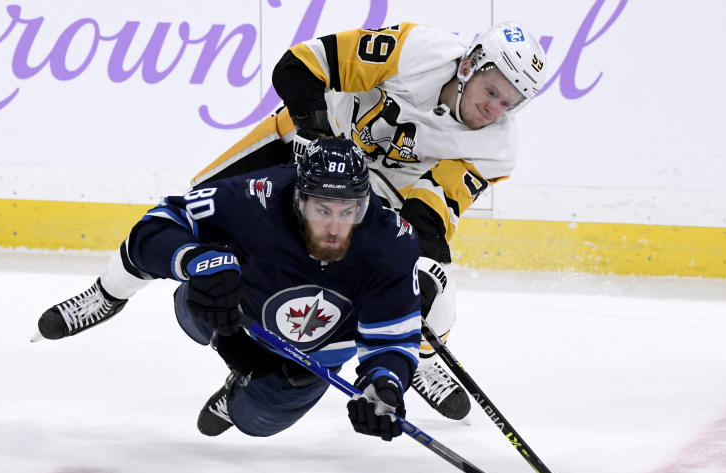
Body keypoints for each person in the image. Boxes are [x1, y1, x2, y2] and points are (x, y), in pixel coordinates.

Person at [33, 21, 547, 422]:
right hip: (307, 140)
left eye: (510, 102)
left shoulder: (497, 148)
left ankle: (413, 354)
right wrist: (320, 135)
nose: (494, 108)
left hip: (381, 190)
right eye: (494, 89)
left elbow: (431, 213)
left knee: (423, 281)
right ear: (471, 64)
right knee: (191, 214)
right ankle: (109, 292)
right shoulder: (416, 51)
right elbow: (299, 67)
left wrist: (403, 259)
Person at [35, 139, 421, 441]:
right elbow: (156, 226)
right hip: (231, 311)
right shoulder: (254, 198)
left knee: (258, 423)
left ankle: (241, 387)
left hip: (310, 358)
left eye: (347, 211)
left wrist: (384, 386)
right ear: (299, 198)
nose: (335, 228)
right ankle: (108, 294)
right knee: (198, 290)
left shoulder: (391, 242)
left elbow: (392, 338)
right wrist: (194, 261)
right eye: (323, 210)